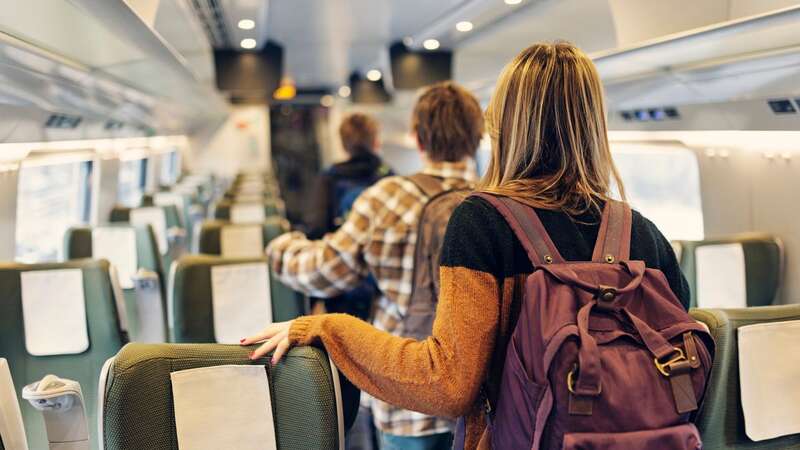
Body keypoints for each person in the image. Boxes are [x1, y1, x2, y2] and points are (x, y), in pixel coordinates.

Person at [243, 43, 689, 449]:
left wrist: (327, 328)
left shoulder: (484, 222)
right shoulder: (644, 234)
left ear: (504, 124)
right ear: (596, 124)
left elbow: (448, 384)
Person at [253, 82, 484, 449]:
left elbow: (322, 273)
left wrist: (281, 245)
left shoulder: (388, 198)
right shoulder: (496, 201)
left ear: (418, 138)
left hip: (407, 393)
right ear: (478, 136)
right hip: (482, 402)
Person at [305, 113, 393, 322]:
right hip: (381, 279)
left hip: (341, 279)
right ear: (375, 141)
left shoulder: (329, 177)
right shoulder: (389, 177)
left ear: (344, 144)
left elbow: (317, 228)